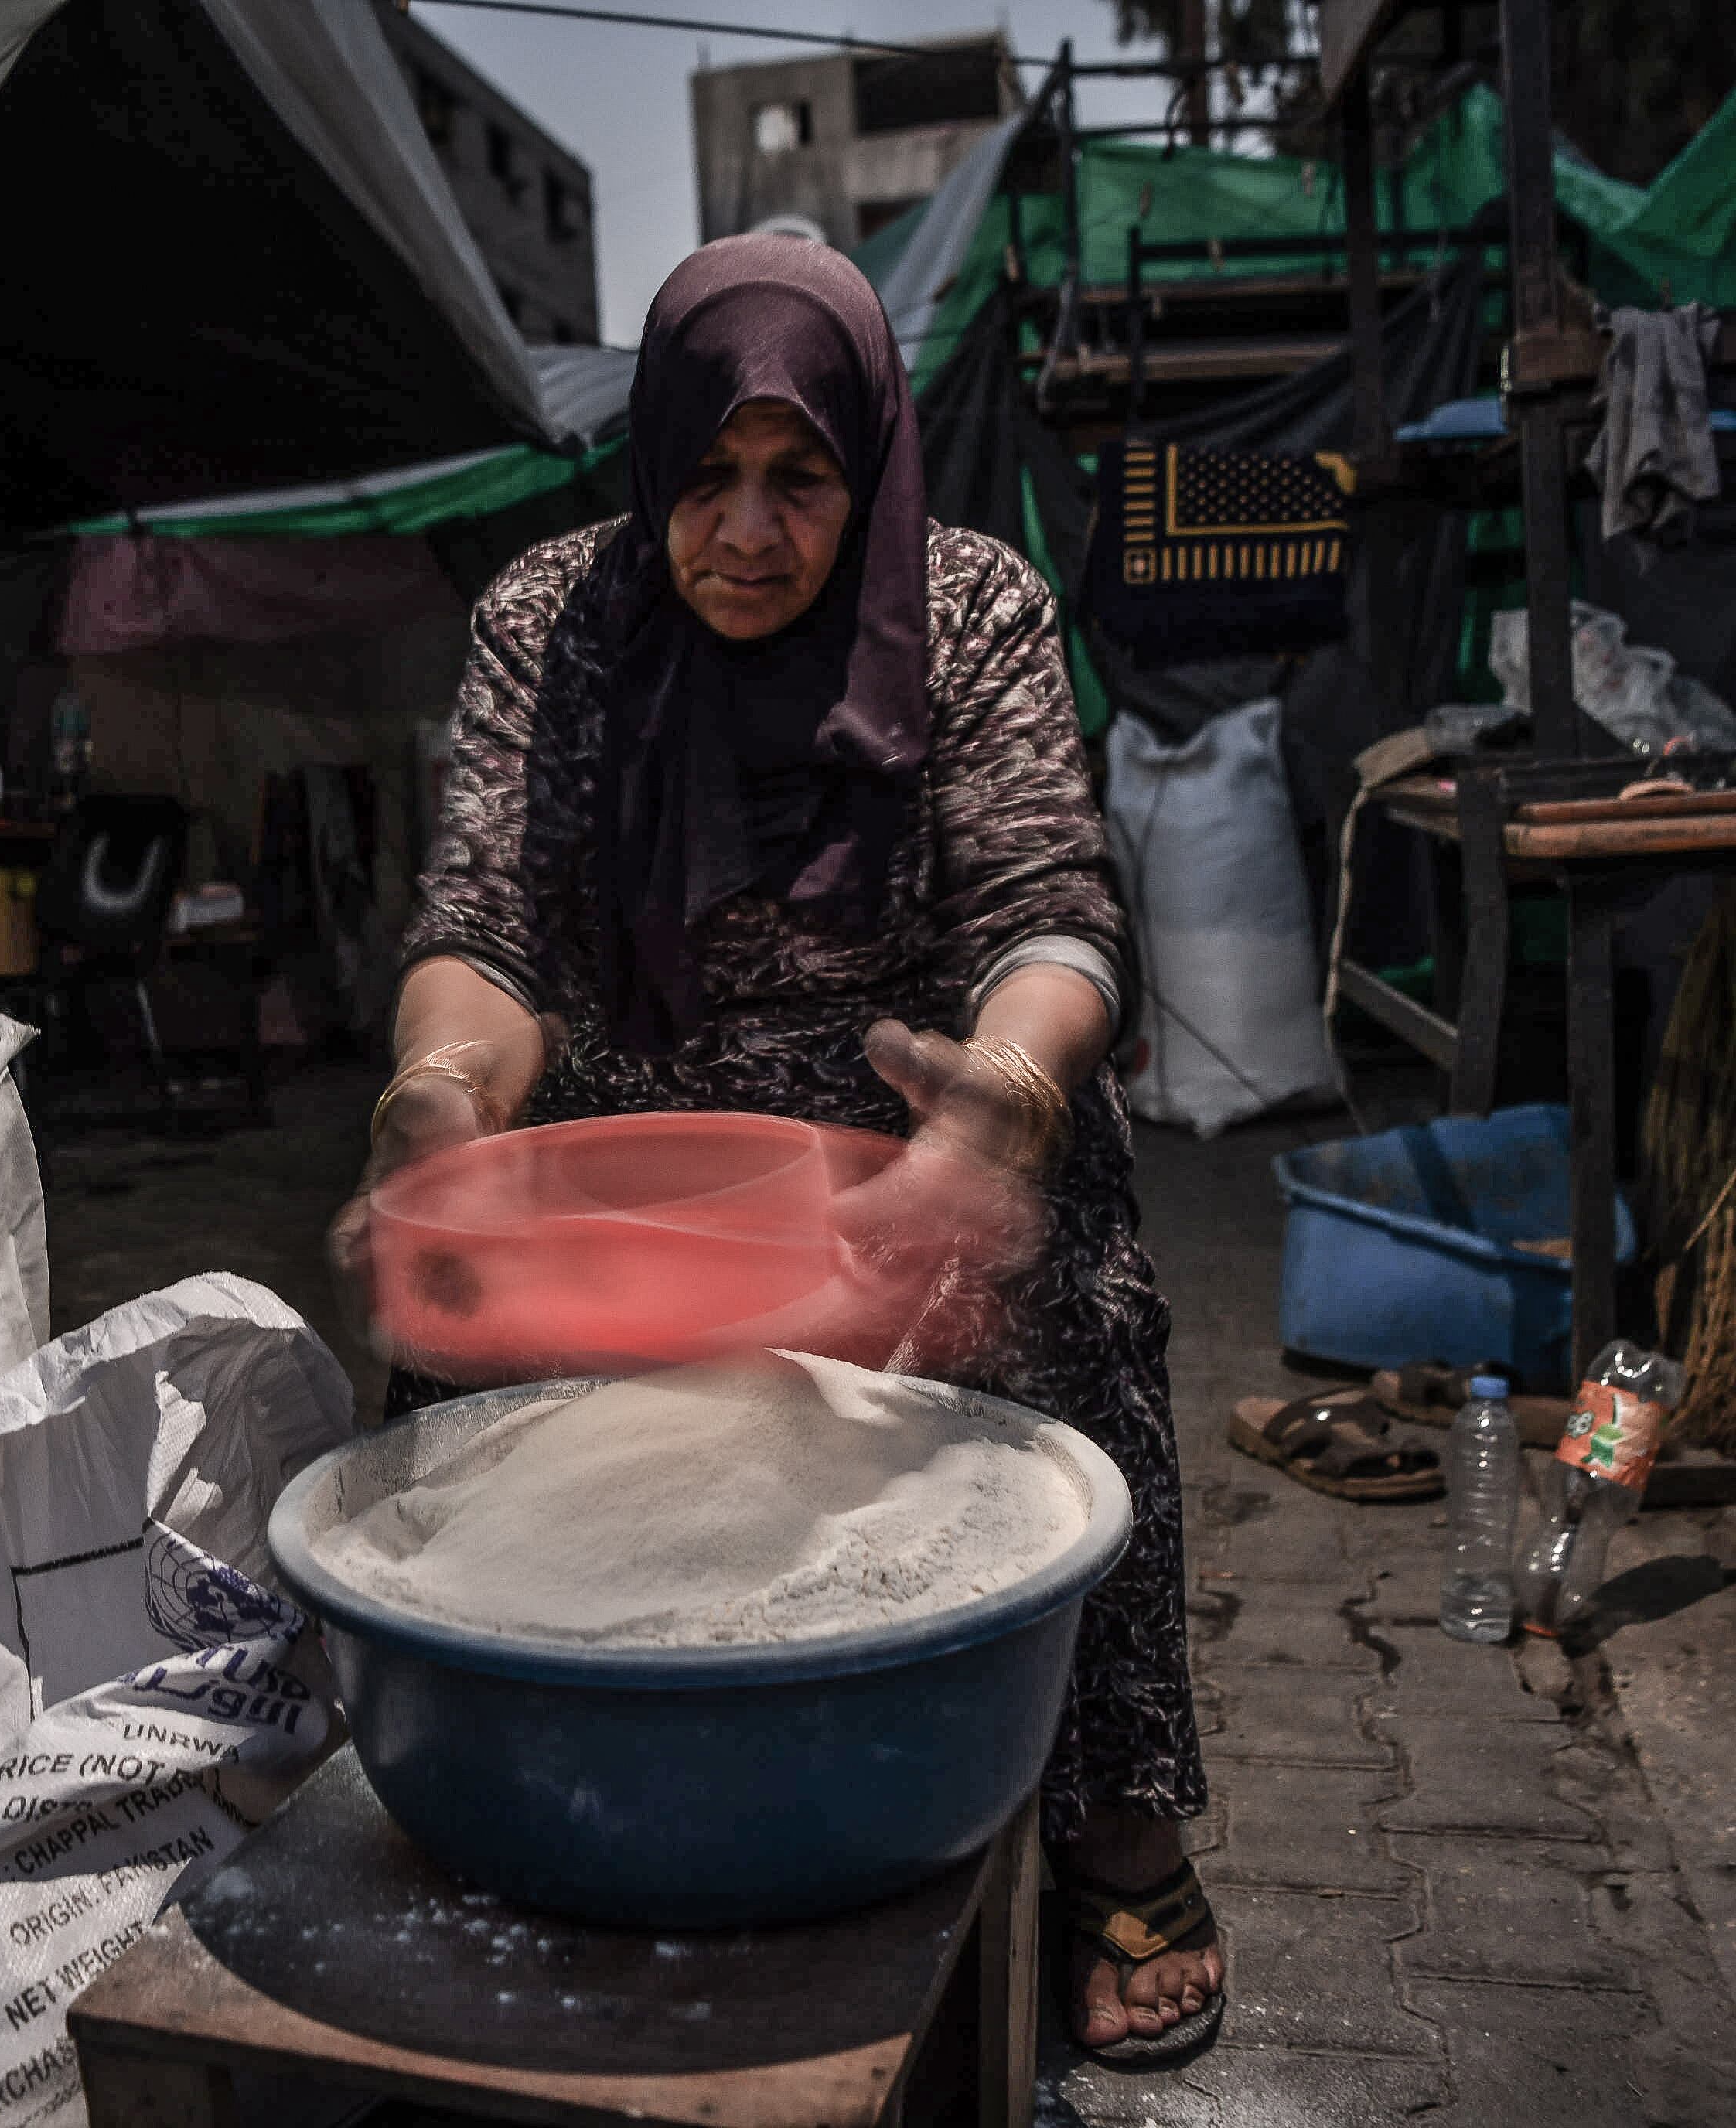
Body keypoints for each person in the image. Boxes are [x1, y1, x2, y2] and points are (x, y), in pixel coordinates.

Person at [335, 236, 1219, 2062]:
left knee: (1071, 1232)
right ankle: (528, 1764)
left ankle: (1113, 1816)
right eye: (709, 475)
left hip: (893, 1131)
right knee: (448, 1324)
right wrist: (439, 1095)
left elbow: (1052, 910)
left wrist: (1005, 1099)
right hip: (630, 1125)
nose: (748, 531)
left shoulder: (970, 608)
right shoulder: (549, 623)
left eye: (800, 476)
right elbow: (487, 930)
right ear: (651, 455)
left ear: (867, 466)